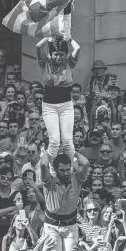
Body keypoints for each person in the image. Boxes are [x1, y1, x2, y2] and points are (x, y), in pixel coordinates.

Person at [35, 35, 81, 166]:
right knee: (54, 141)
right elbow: (38, 46)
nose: (58, 57)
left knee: (67, 140)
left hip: (66, 105)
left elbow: (78, 48)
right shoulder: (45, 63)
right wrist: (48, 37)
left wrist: (69, 38)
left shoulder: (69, 63)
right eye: (55, 54)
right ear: (50, 54)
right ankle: (50, 168)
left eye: (61, 54)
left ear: (65, 54)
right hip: (49, 106)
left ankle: (72, 167)